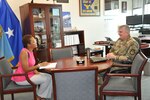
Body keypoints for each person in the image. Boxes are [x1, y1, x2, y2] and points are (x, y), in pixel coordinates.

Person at [11, 35, 52, 100]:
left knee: (49, 76)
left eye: (35, 41)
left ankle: (40, 96)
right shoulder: (24, 52)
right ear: (28, 44)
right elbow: (26, 69)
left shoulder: (30, 51)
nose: (36, 42)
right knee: (47, 79)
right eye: (33, 42)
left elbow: (30, 65)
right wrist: (39, 65)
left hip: (29, 74)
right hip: (22, 77)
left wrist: (36, 71)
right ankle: (39, 97)